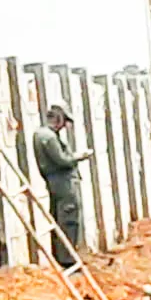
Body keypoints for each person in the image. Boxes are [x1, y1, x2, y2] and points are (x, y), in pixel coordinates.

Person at [32, 102, 93, 264]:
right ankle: (67, 259)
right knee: (68, 219)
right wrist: (80, 156)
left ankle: (61, 257)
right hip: (63, 183)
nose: (64, 125)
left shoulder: (41, 134)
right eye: (64, 120)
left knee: (59, 219)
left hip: (54, 182)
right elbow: (62, 160)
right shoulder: (49, 137)